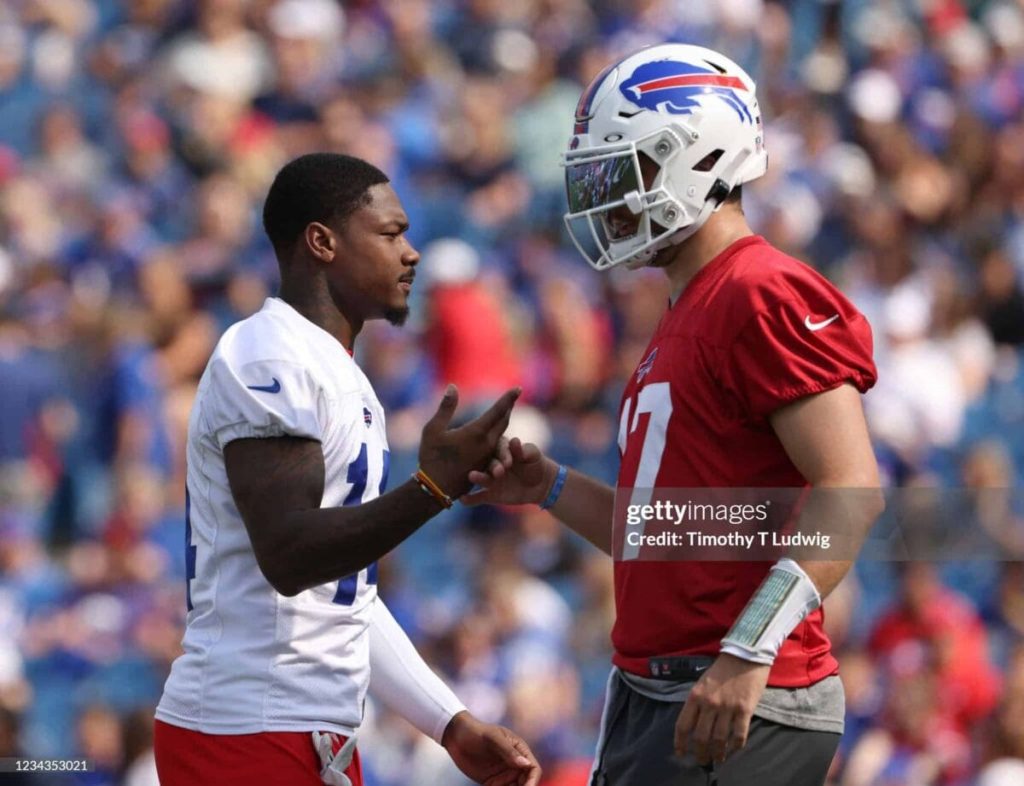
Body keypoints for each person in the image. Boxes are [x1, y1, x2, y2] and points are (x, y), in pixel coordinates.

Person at [465, 44, 884, 785]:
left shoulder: (761, 290)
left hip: (738, 694)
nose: (609, 199)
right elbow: (664, 532)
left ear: (694, 155)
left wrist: (747, 649)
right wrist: (550, 487)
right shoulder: (688, 309)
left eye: (623, 172)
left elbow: (850, 492)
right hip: (660, 690)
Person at [154, 152, 541, 786]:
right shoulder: (266, 353)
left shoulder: (338, 370)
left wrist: (448, 721)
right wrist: (431, 490)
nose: (411, 253)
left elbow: (343, 597)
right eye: (390, 234)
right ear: (322, 242)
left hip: (305, 727)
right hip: (243, 729)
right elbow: (290, 557)